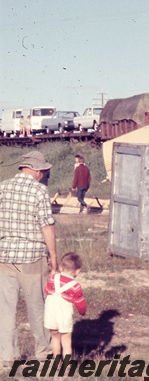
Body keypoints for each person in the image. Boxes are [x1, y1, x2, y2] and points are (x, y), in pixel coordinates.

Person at [0, 151, 58, 366]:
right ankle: (43, 355)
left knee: (5, 309)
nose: (43, 175)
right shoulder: (39, 191)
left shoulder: (3, 187)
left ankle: (6, 358)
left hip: (4, 256)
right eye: (43, 171)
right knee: (37, 307)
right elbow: (47, 225)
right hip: (32, 257)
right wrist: (53, 257)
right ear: (36, 170)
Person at [44, 252, 86, 359]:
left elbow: (46, 290)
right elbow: (80, 303)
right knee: (66, 342)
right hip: (64, 316)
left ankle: (57, 362)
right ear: (78, 270)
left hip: (51, 313)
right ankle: (67, 366)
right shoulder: (75, 286)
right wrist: (82, 312)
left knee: (55, 338)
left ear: (61, 267)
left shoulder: (53, 278)